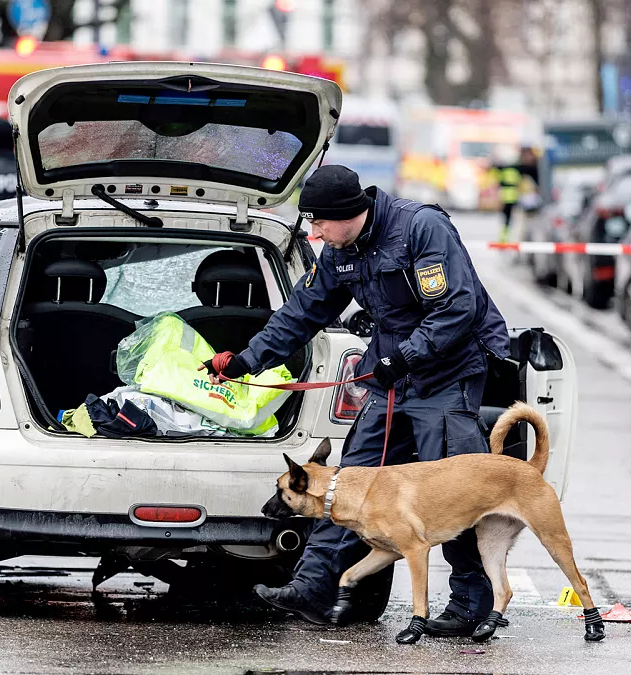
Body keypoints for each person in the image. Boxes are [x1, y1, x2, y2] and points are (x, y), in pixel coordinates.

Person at [204, 164, 511, 636]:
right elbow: (303, 311)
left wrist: (405, 358)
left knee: (452, 492)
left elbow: (456, 308)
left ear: (350, 213)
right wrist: (248, 361)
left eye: (319, 223)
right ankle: (312, 586)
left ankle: (470, 602)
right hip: (391, 380)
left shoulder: (419, 228)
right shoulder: (339, 249)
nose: (314, 233)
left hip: (445, 377)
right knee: (342, 485)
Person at [492, 147, 539, 243]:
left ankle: (504, 240)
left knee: (507, 221)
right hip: (516, 198)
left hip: (505, 198)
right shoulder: (519, 168)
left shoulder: (502, 168)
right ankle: (512, 240)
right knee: (517, 222)